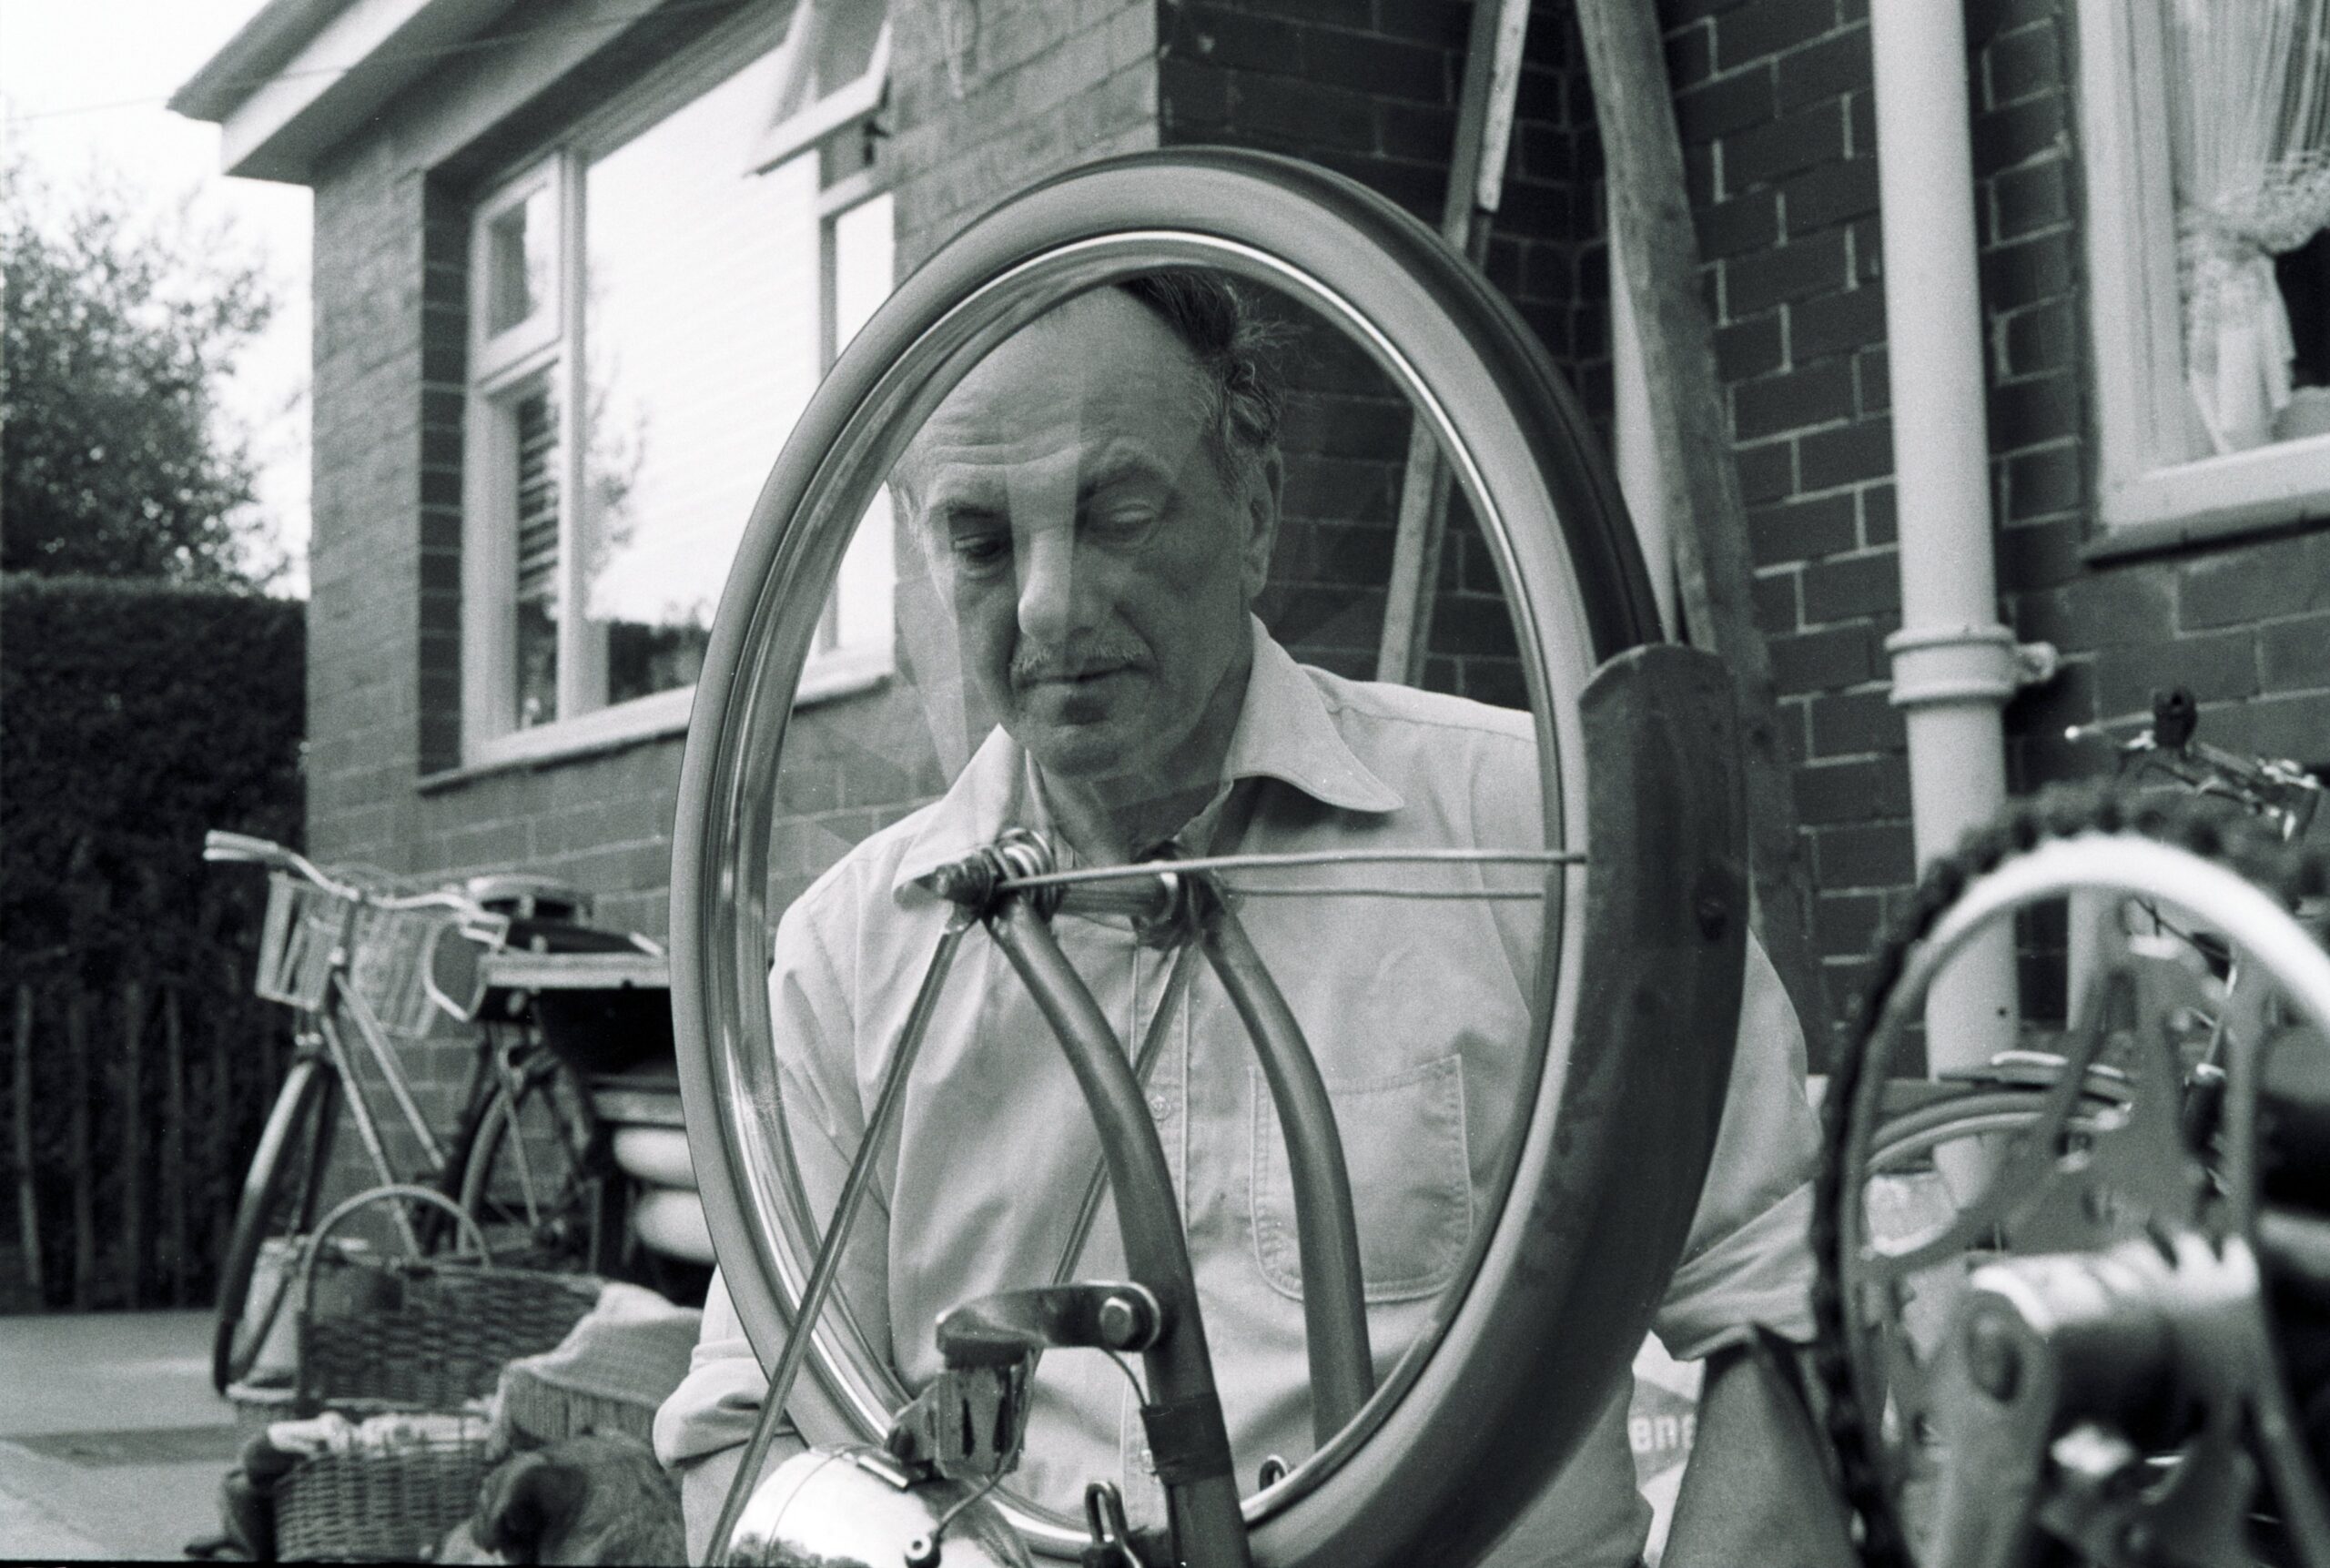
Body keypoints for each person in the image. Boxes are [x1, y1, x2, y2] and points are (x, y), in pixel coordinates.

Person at [655, 272, 1843, 1566]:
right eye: (983, 542)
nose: (1050, 606)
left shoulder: (1538, 840)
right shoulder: (850, 954)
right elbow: (747, 1429)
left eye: (1116, 514)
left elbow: (1787, 1318)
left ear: (1255, 506)